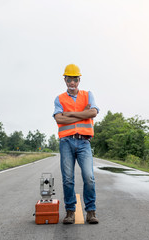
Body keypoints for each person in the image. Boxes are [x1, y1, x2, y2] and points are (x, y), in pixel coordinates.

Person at [53, 64, 99, 224]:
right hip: (66, 142)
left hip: (84, 142)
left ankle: (91, 212)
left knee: (89, 177)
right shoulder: (59, 98)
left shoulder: (88, 95)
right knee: (68, 179)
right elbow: (59, 118)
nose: (72, 83)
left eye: (75, 79)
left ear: (79, 80)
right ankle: (70, 212)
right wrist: (83, 114)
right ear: (65, 79)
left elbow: (93, 112)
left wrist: (71, 114)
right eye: (69, 79)